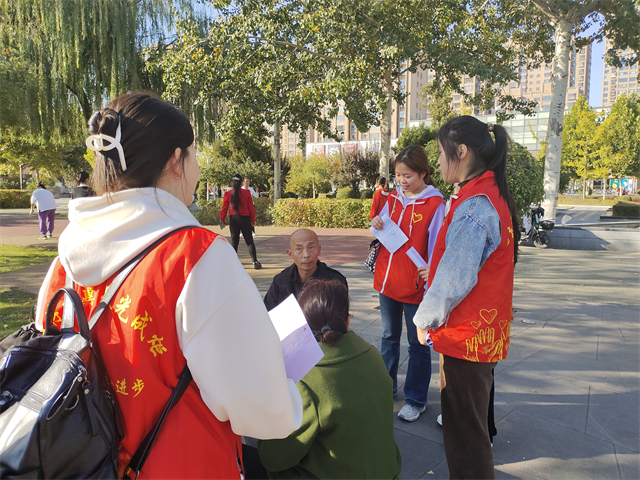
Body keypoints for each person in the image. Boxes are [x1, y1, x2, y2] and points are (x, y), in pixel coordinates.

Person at [34, 92, 302, 479]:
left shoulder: (65, 261)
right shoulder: (198, 256)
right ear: (176, 160)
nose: (196, 170)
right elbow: (264, 411)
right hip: (185, 465)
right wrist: (286, 388)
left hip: (84, 465)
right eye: (194, 156)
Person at [413, 116, 521, 479]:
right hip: (481, 333)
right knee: (470, 426)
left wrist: (423, 318)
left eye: (441, 154)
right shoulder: (489, 195)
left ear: (461, 151)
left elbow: (455, 278)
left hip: (466, 336)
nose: (437, 163)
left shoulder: (475, 205)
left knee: (465, 436)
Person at [258, 279, 402, 479]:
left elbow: (273, 458)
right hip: (386, 471)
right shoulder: (373, 355)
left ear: (301, 326)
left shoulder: (305, 382)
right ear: (348, 320)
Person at [370, 146, 445, 422]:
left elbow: (439, 244)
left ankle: (415, 398)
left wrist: (432, 272)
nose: (401, 181)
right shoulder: (392, 198)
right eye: (398, 175)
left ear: (423, 173)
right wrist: (377, 221)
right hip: (387, 282)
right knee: (389, 338)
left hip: (416, 288)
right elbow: (383, 228)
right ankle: (385, 386)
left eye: (408, 175)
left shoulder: (436, 204)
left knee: (417, 344)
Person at [263, 228, 347, 311]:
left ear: (319, 250)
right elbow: (267, 314)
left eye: (311, 247)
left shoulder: (335, 281)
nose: (306, 255)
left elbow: (340, 320)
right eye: (299, 249)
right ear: (290, 253)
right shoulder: (281, 281)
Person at [220, 174, 262, 269]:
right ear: (241, 182)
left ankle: (232, 263)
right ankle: (255, 262)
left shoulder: (228, 194)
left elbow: (224, 209)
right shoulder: (246, 193)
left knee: (234, 242)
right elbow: (251, 208)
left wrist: (222, 221)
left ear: (232, 183)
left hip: (233, 219)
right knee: (249, 241)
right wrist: (253, 220)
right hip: (245, 219)